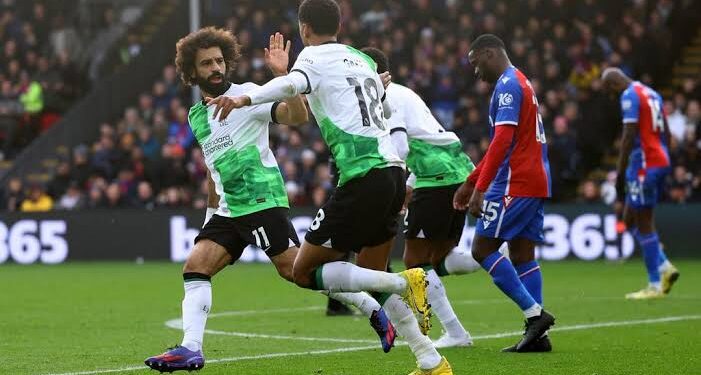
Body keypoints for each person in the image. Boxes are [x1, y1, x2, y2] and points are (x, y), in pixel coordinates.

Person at [214, 1, 451, 373]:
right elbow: (385, 113)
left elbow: (293, 83)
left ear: (304, 28)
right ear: (338, 25)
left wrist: (246, 96)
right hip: (392, 173)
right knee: (370, 280)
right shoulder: (360, 59)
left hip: (362, 176)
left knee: (303, 272)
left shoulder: (313, 57)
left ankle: (405, 280)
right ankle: (431, 360)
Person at [144, 28, 395, 373]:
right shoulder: (196, 116)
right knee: (195, 267)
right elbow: (212, 169)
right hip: (230, 210)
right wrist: (210, 216)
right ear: (192, 71)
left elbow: (297, 116)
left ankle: (373, 309)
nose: (216, 67)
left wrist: (282, 74)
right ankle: (191, 349)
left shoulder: (248, 94)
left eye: (219, 60)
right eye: (206, 63)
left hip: (262, 202)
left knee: (297, 272)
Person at [362, 46, 482, 349]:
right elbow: (424, 140)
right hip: (454, 169)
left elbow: (401, 148)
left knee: (414, 261)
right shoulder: (405, 93)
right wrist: (409, 187)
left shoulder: (387, 98)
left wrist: (391, 187)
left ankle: (456, 332)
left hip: (437, 176)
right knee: (439, 257)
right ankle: (492, 253)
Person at [453, 34, 556, 353]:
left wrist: (480, 188)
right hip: (535, 179)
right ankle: (537, 336)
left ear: (489, 54)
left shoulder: (508, 86)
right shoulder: (521, 81)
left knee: (482, 249)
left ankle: (534, 315)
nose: (475, 72)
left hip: (515, 181)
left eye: (475, 64)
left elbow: (502, 142)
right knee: (523, 254)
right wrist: (472, 179)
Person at [601, 67, 680, 299]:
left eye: (609, 91)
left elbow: (628, 136)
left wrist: (620, 171)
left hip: (644, 163)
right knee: (628, 218)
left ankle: (655, 284)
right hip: (658, 160)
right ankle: (664, 265)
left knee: (644, 222)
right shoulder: (652, 93)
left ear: (614, 83)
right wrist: (664, 157)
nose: (611, 96)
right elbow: (666, 131)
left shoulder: (629, 95)